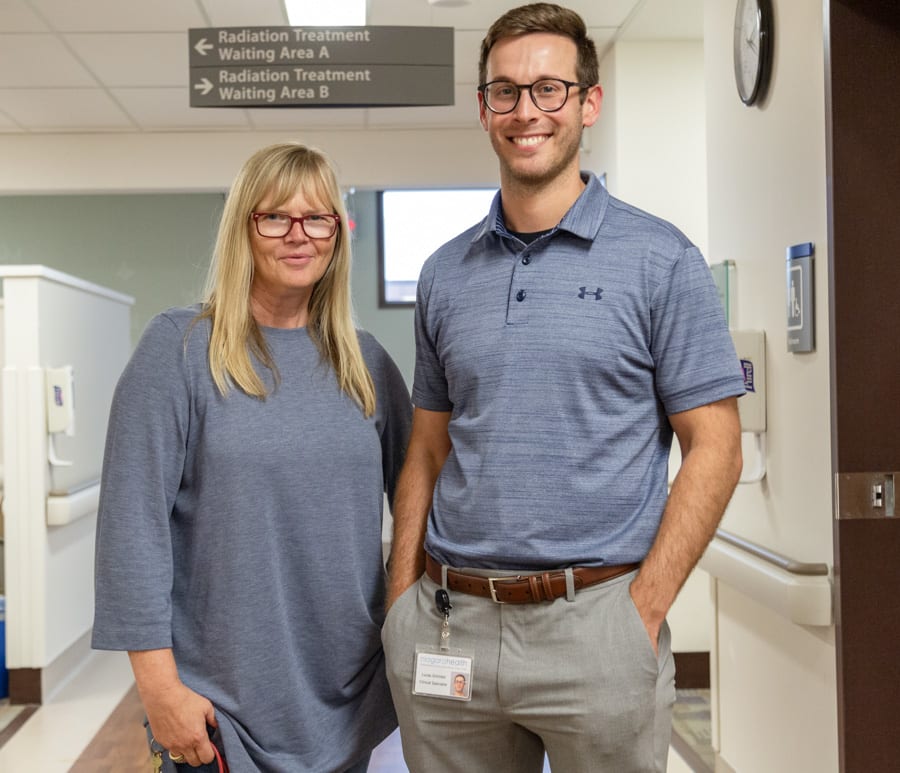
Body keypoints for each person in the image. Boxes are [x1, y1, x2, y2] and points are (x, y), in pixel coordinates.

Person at [381, 4, 744, 772]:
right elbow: (429, 446)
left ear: (589, 101)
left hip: (598, 626)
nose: (526, 111)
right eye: (506, 92)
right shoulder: (445, 272)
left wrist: (641, 612)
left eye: (549, 88)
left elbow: (715, 447)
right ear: (483, 108)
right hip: (451, 626)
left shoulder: (662, 261)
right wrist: (400, 602)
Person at [92, 142, 412, 772]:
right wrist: (159, 690)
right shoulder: (181, 349)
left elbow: (421, 499)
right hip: (221, 707)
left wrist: (408, 622)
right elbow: (132, 530)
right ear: (244, 226)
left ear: (338, 234)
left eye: (318, 218)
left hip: (353, 697)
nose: (300, 235)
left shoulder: (366, 363)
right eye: (275, 217)